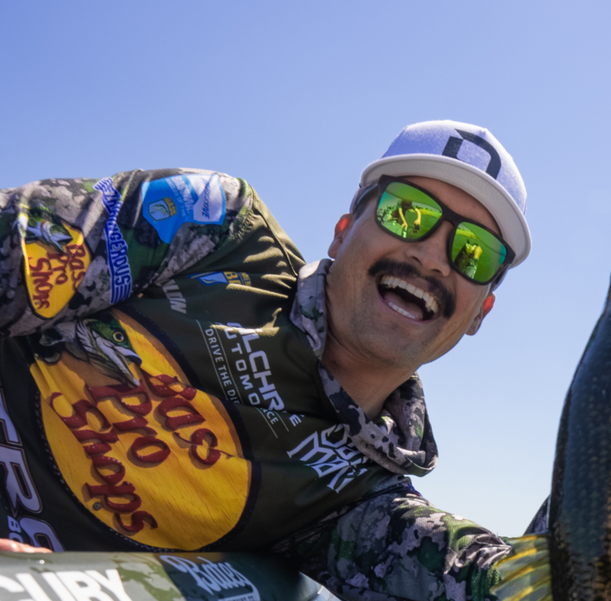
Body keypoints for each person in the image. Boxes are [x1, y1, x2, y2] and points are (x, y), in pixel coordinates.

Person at [0, 120, 530, 601]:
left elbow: (503, 582)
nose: (433, 255)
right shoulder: (217, 229)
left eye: (474, 252)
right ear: (343, 232)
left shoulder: (360, 492)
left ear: (480, 311)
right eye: (407, 214)